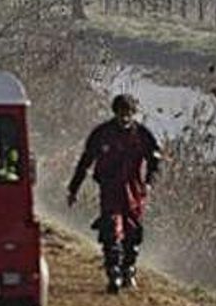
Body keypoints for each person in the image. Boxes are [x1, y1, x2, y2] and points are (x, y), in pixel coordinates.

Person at [67, 94, 162, 294]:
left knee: (133, 233)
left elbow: (155, 160)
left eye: (129, 114)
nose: (125, 118)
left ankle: (129, 269)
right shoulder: (102, 134)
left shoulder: (142, 135)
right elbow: (85, 162)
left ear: (134, 114)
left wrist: (149, 183)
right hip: (110, 190)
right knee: (111, 230)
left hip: (134, 193)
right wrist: (73, 189)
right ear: (115, 112)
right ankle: (113, 273)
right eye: (121, 113)